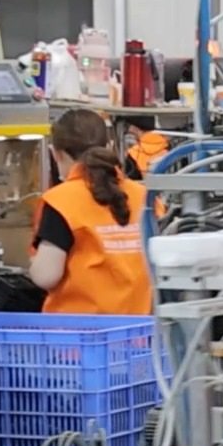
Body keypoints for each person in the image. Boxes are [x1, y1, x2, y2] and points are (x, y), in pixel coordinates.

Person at [30, 108, 153, 315]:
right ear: (110, 146)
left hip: (76, 332)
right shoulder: (145, 196)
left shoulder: (61, 201)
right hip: (139, 329)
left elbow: (46, 276)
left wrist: (34, 263)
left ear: (56, 154)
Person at [118, 114, 170, 182]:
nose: (129, 130)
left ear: (136, 129)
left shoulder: (133, 153)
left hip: (142, 187)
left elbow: (130, 180)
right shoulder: (168, 148)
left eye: (129, 126)